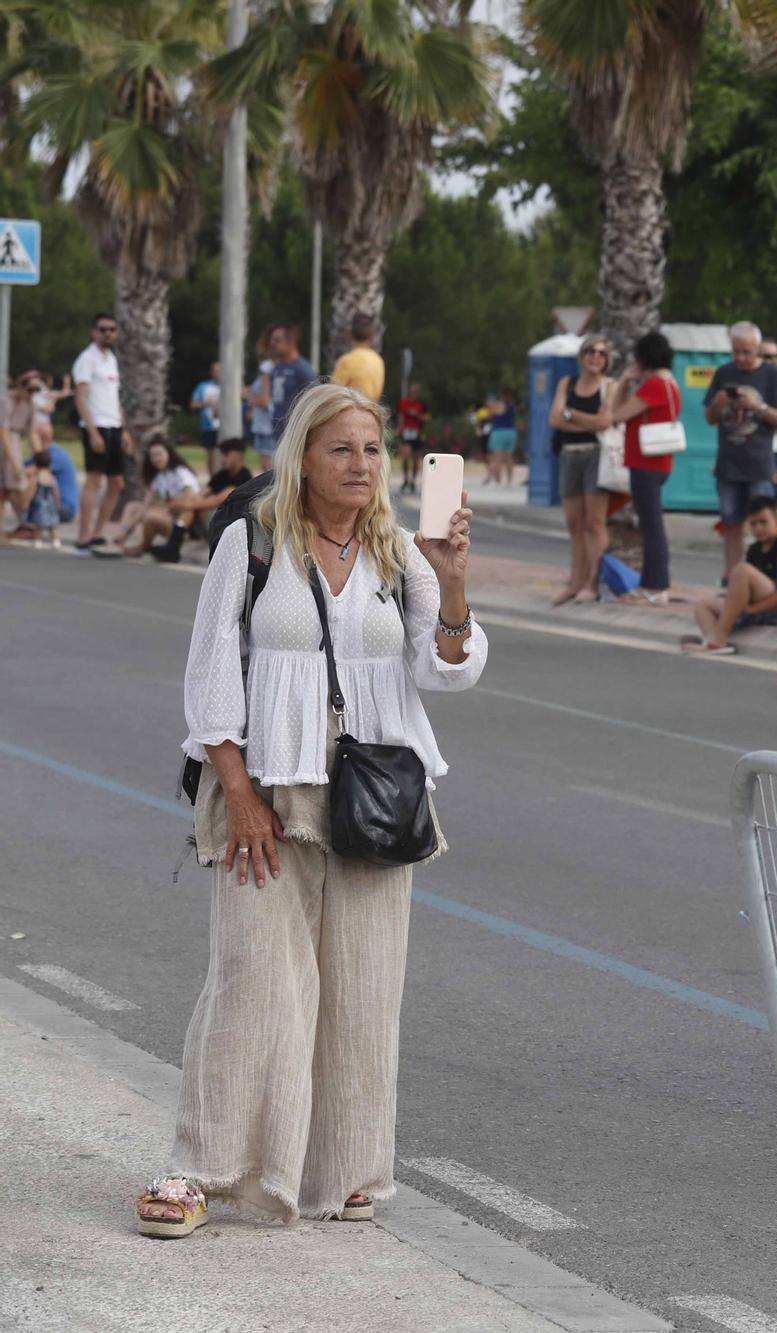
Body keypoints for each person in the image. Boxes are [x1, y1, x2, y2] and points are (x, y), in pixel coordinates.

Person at [138, 381, 484, 1239]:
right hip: (268, 787)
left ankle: (341, 1169)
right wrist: (240, 790)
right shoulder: (252, 543)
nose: (361, 464)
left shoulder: (402, 552)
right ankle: (202, 1168)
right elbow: (212, 671)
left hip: (376, 793)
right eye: (342, 448)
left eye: (372, 449)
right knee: (253, 980)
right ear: (303, 457)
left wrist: (452, 581)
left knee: (363, 988)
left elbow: (447, 671)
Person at [706, 321, 777, 571]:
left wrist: (758, 406)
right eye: (736, 351)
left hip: (760, 465)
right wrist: (718, 404)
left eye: (746, 352)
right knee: (731, 523)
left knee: (764, 522)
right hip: (728, 465)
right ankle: (732, 578)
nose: (741, 357)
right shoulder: (723, 373)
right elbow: (710, 419)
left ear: (757, 348)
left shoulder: (771, 375)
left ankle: (766, 575)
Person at [605, 331, 681, 603]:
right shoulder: (669, 382)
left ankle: (656, 587)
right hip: (657, 463)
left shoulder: (654, 385)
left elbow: (617, 414)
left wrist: (624, 380)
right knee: (651, 524)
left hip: (646, 464)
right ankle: (653, 584)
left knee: (651, 527)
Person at [684, 494, 777, 654]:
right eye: (753, 524)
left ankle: (719, 638)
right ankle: (710, 641)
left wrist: (752, 610)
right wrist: (733, 603)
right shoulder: (754, 549)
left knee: (741, 570)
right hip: (761, 603)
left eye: (764, 522)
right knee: (703, 605)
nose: (758, 528)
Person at [549, 335, 616, 606]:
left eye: (601, 353)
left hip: (596, 456)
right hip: (569, 455)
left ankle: (594, 582)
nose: (595, 357)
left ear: (607, 359)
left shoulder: (610, 386)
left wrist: (572, 415)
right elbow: (555, 418)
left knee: (594, 522)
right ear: (582, 355)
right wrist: (585, 421)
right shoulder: (568, 383)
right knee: (574, 523)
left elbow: (604, 422)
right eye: (590, 351)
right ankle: (576, 580)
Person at [72, 312, 125, 552]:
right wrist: (92, 431)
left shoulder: (111, 359)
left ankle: (98, 532)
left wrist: (122, 428)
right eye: (103, 329)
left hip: (114, 425)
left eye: (111, 329)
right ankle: (83, 536)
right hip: (97, 425)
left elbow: (115, 397)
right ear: (94, 332)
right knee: (94, 480)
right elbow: (81, 398)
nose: (108, 333)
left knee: (116, 483)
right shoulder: (87, 359)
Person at [100, 437, 201, 559]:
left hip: (185, 524)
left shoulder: (181, 473)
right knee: (133, 506)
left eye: (159, 454)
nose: (156, 459)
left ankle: (143, 547)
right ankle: (121, 539)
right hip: (170, 517)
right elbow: (145, 505)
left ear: (169, 453)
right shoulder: (159, 477)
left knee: (150, 517)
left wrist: (167, 509)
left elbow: (189, 498)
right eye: (152, 456)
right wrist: (126, 530)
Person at [266, 324, 317, 445]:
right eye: (272, 340)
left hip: (295, 434)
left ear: (291, 342)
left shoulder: (303, 369)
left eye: (277, 340)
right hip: (277, 432)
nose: (272, 344)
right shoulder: (277, 368)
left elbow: (314, 400)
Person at [331, 314, 386, 402]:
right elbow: (378, 394)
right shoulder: (379, 361)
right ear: (371, 338)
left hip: (350, 413)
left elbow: (334, 394)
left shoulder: (346, 361)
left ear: (350, 334)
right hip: (371, 411)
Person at [249, 329, 278, 473]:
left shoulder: (267, 367)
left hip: (265, 424)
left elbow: (264, 400)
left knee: (268, 470)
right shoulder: (279, 367)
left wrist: (248, 396)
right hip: (271, 423)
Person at [394, 381, 428, 496]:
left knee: (415, 458)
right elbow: (400, 416)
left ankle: (413, 480)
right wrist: (399, 428)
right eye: (412, 392)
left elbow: (426, 418)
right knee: (405, 456)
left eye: (416, 392)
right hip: (406, 432)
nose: (414, 394)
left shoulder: (422, 405)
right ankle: (405, 479)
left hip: (417, 433)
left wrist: (417, 415)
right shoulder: (403, 403)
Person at [480, 390, 519, 486]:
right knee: (510, 457)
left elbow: (487, 416)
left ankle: (498, 480)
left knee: (498, 458)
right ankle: (509, 480)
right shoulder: (512, 407)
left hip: (498, 432)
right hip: (511, 432)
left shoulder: (496, 406)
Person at [191, 363, 222, 472]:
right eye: (215, 370)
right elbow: (193, 404)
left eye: (219, 370)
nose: (217, 373)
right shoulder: (203, 386)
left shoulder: (230, 387)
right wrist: (208, 404)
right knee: (211, 454)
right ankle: (213, 477)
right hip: (209, 426)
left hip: (226, 426)